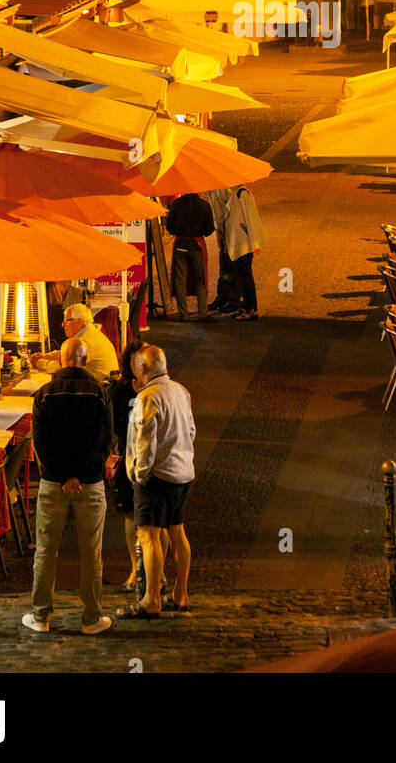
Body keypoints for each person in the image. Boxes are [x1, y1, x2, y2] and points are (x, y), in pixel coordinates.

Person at [24, 335, 113, 635]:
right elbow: (103, 442)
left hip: (52, 483)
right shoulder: (100, 394)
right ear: (84, 360)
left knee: (46, 550)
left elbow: (41, 444)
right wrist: (79, 475)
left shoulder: (44, 395)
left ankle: (40, 615)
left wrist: (62, 476)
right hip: (89, 484)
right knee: (92, 552)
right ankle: (91, 618)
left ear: (61, 360)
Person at [118, 345, 195, 619]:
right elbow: (191, 430)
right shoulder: (180, 391)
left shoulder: (147, 397)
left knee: (148, 536)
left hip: (157, 478)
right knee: (177, 533)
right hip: (183, 473)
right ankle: (181, 594)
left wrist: (140, 473)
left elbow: (145, 440)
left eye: (137, 366)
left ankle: (151, 600)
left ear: (143, 369)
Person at [106, 337, 147, 592]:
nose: (140, 367)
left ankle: (155, 571)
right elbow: (115, 426)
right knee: (131, 516)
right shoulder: (119, 391)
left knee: (154, 521)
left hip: (153, 462)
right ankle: (135, 568)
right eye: (135, 362)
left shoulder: (159, 389)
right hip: (128, 457)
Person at [208, 186, 263, 321]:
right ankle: (245, 307)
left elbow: (251, 220)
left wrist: (254, 243)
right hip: (236, 242)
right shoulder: (235, 195)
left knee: (245, 275)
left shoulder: (242, 195)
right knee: (241, 274)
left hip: (243, 244)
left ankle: (251, 309)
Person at [31, 302, 118, 383]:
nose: (62, 324)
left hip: (97, 391)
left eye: (67, 321)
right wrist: (46, 356)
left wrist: (39, 363)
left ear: (80, 321)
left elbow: (65, 367)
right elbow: (68, 354)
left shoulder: (86, 342)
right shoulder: (90, 334)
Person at [164, 192, 215, 322]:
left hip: (180, 245)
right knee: (201, 279)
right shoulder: (204, 205)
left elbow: (169, 226)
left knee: (180, 280)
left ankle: (183, 314)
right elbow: (209, 229)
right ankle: (202, 313)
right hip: (197, 246)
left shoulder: (176, 204)